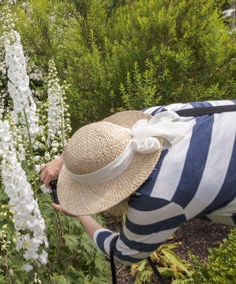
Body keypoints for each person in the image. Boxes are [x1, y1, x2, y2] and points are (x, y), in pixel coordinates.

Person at [40, 100, 236, 266]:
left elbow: (122, 253)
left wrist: (82, 215)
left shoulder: (156, 198)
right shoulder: (148, 119)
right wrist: (62, 160)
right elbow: (101, 139)